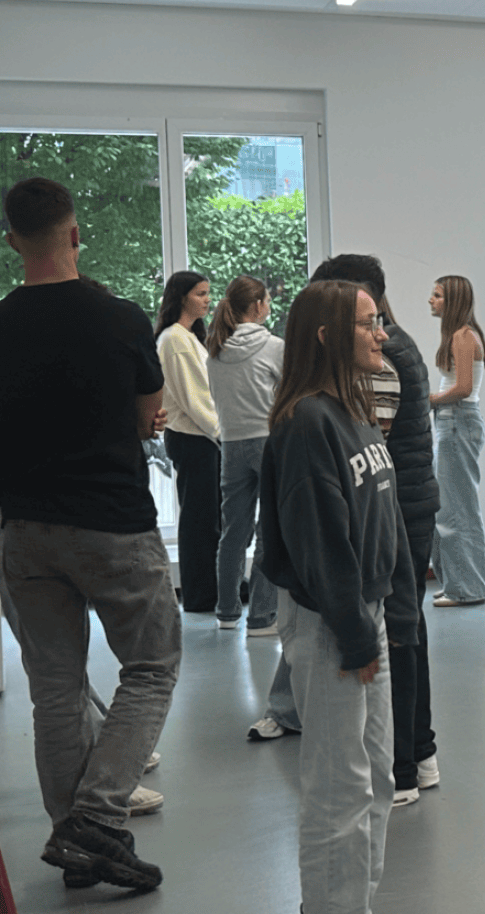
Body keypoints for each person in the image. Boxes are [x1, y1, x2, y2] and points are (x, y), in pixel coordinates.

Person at [0, 176, 180, 892]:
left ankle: (69, 833)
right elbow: (147, 419)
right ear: (74, 234)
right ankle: (96, 820)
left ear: (13, 240)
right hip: (112, 525)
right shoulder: (124, 319)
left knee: (54, 687)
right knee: (152, 665)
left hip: (23, 530)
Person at [257, 279, 404, 913]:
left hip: (361, 614)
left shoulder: (353, 411)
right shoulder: (307, 421)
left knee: (376, 779)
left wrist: (384, 609)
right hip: (329, 623)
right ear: (326, 336)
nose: (383, 334)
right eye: (370, 323)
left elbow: (379, 517)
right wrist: (354, 631)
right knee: (338, 790)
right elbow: (320, 541)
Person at [314, 254, 441, 807]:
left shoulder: (383, 355)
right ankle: (419, 753)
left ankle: (404, 765)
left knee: (400, 632)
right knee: (408, 628)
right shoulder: (399, 343)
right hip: (406, 506)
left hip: (396, 512)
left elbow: (368, 448)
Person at [206, 275, 285, 634]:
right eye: (267, 301)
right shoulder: (274, 347)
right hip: (268, 442)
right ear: (257, 307)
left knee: (233, 532)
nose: (269, 307)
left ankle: (226, 612)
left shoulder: (215, 350)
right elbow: (289, 393)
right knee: (270, 530)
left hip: (231, 445)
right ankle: (262, 616)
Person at [155, 269, 222, 613]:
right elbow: (196, 400)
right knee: (199, 520)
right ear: (182, 297)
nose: (207, 299)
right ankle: (199, 596)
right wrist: (223, 434)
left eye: (208, 293)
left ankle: (211, 589)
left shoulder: (190, 337)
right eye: (200, 293)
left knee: (208, 518)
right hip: (195, 439)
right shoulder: (175, 340)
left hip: (202, 438)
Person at [428, 274, 485, 608]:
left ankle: (465, 588)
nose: (431, 300)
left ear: (452, 300)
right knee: (450, 507)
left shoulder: (464, 337)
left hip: (457, 421)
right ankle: (457, 582)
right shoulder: (459, 336)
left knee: (457, 510)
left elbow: (463, 388)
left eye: (437, 295)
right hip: (453, 421)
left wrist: (432, 399)